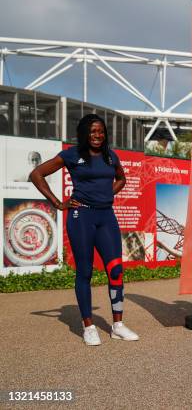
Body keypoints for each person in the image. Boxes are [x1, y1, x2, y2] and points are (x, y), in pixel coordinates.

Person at [29, 114, 139, 346]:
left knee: (116, 271)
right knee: (85, 272)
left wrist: (108, 194)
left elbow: (121, 178)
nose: (97, 135)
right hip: (82, 216)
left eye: (100, 131)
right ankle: (88, 326)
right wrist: (59, 203)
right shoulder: (72, 154)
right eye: (92, 132)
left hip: (106, 215)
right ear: (84, 134)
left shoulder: (111, 155)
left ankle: (117, 325)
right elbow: (36, 174)